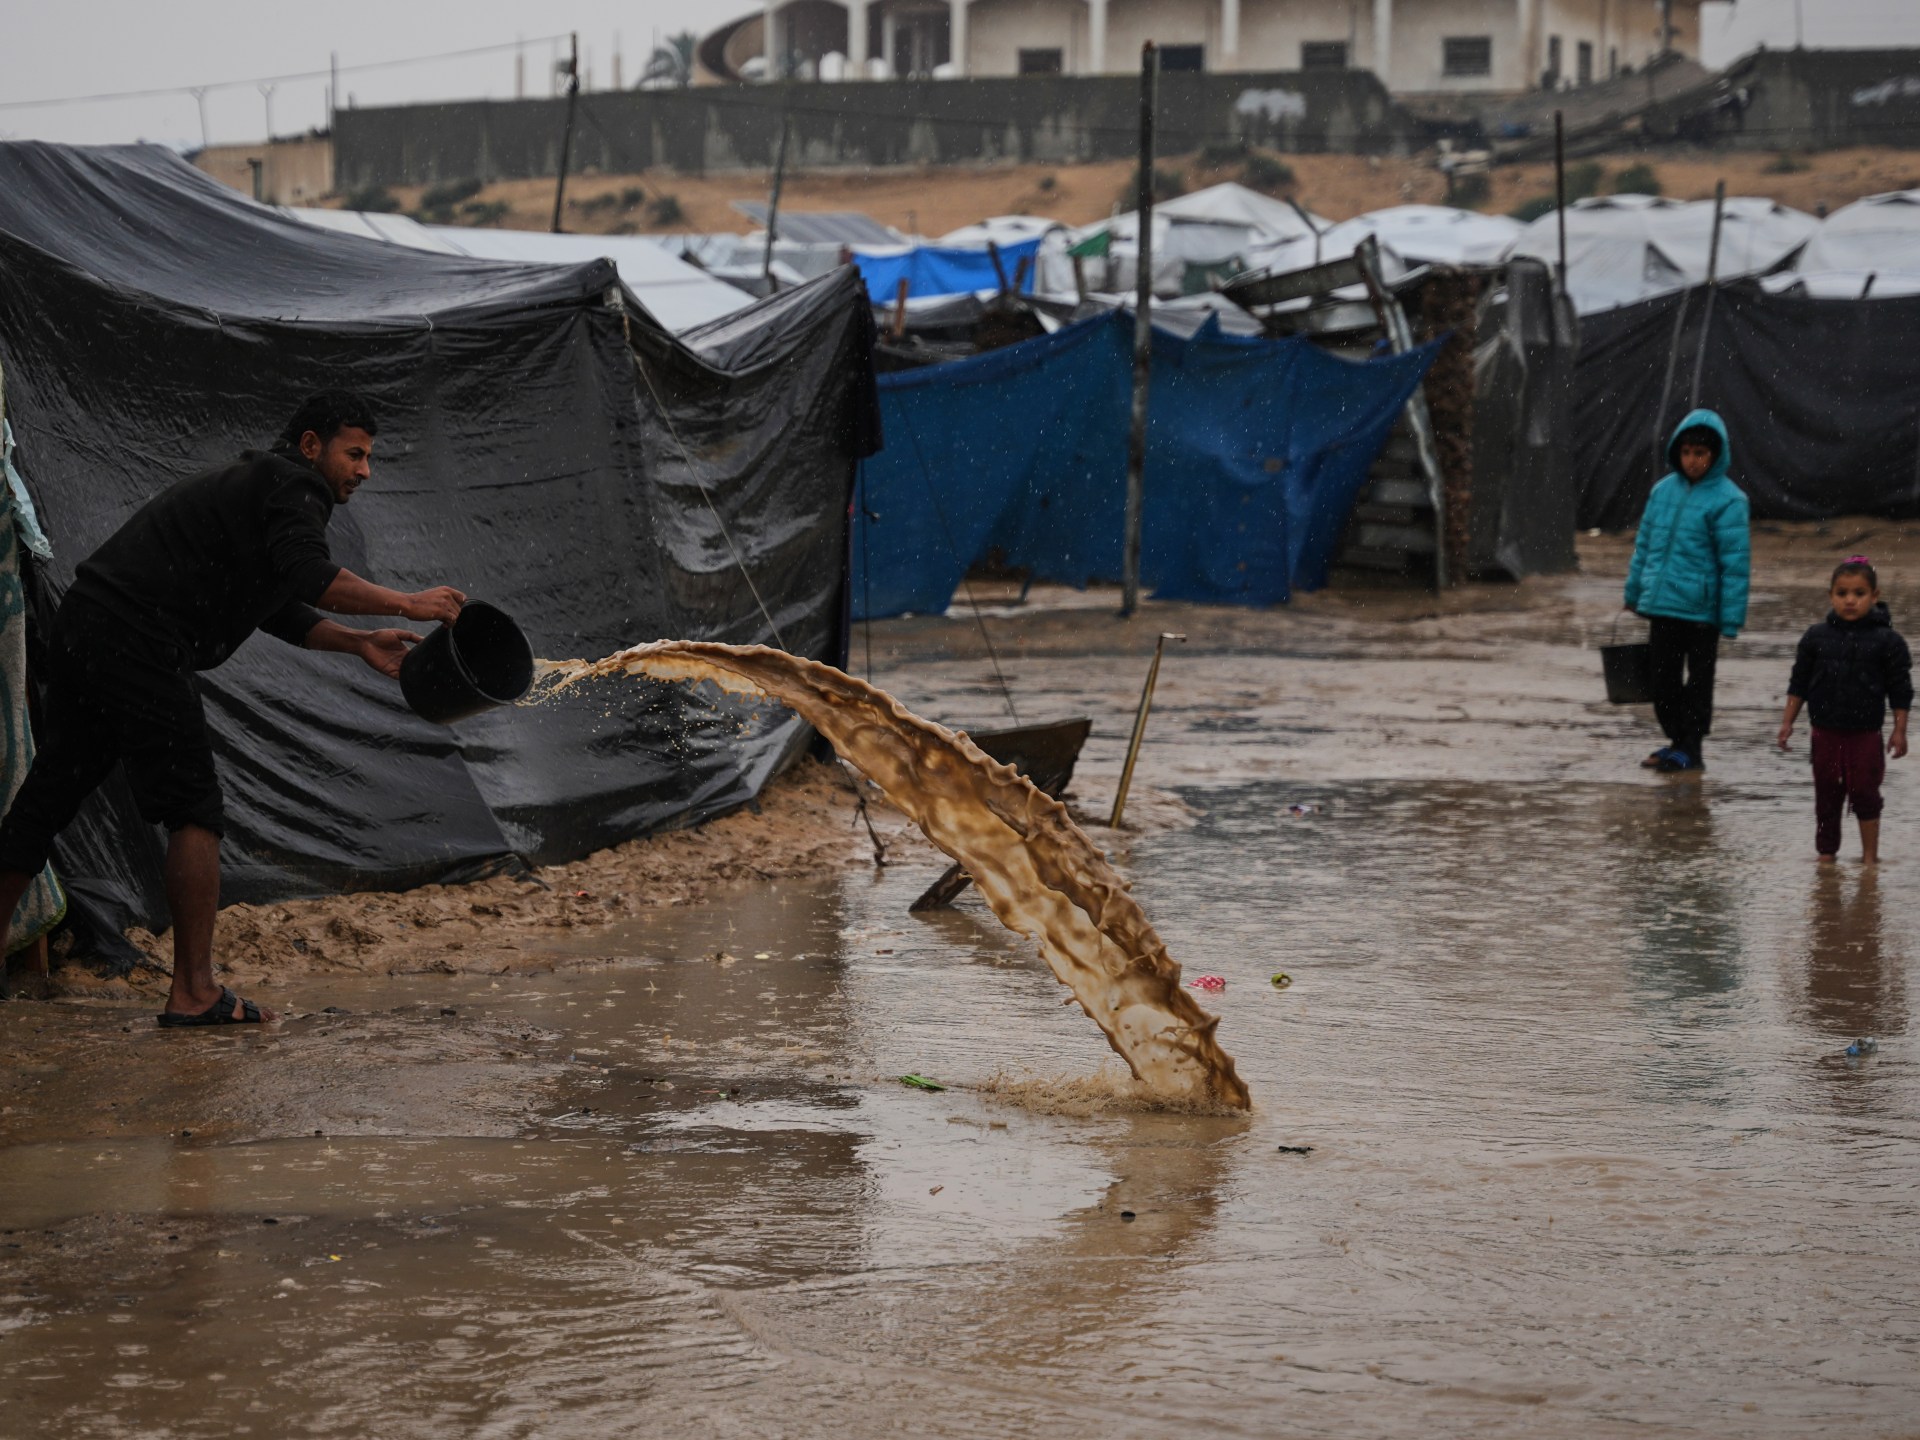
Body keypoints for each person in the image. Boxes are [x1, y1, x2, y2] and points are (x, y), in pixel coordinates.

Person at [0, 391, 466, 1023]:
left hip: (91, 624)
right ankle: (194, 992)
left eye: (368, 458)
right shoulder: (297, 488)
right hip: (138, 636)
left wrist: (358, 643)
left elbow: (277, 604)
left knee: (48, 798)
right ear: (311, 445)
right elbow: (307, 573)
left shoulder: (258, 488)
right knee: (195, 807)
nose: (364, 471)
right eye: (354, 454)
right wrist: (408, 603)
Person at [1623, 409, 1751, 774]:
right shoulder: (1663, 492)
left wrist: (1730, 617)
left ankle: (1690, 749)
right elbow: (1644, 547)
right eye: (1687, 453)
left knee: (1697, 684)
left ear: (1715, 455)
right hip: (1663, 606)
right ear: (1677, 453)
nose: (1693, 461)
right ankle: (1678, 741)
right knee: (1661, 681)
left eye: (1701, 454)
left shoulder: (1729, 500)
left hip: (1701, 610)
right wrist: (1634, 593)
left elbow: (1735, 563)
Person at [1776, 557, 1911, 864]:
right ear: (1831, 595)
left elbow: (1900, 691)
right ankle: (1826, 857)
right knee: (1826, 795)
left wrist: (1899, 731)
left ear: (1874, 597)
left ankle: (1869, 858)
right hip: (1824, 732)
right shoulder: (1815, 637)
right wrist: (1787, 723)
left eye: (1859, 593)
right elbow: (1799, 684)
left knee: (1865, 792)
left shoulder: (1888, 642)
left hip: (1865, 734)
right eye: (1842, 593)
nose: (1850, 600)